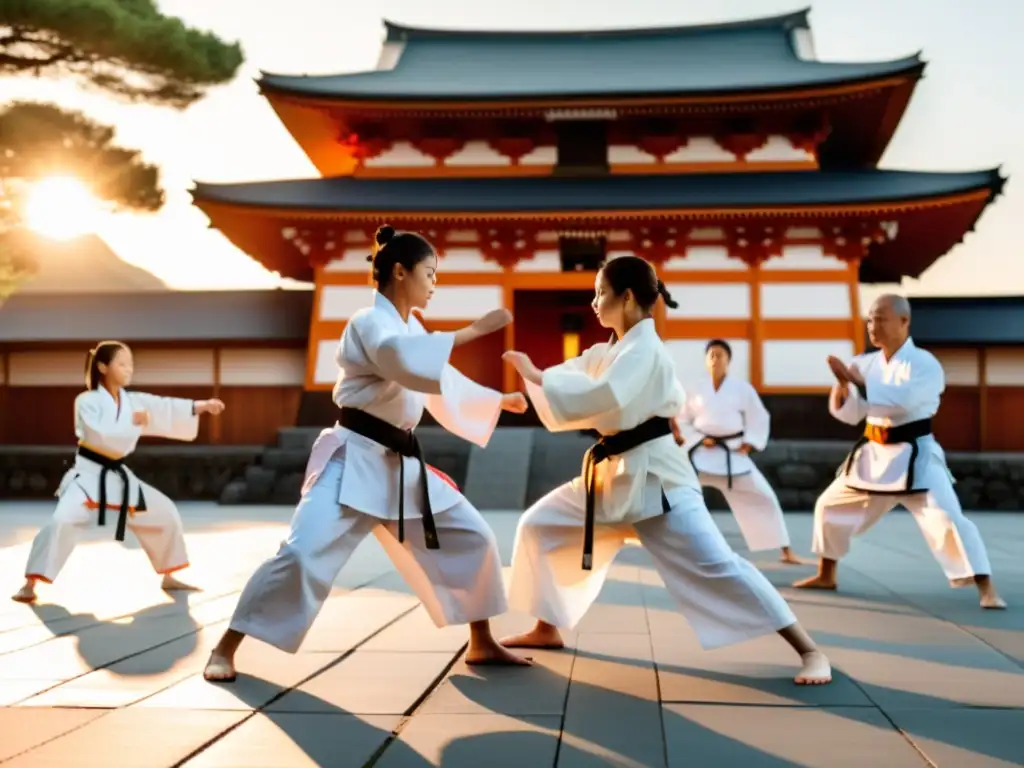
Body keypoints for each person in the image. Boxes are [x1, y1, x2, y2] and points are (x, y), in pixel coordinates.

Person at [204, 225, 531, 683]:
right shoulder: (368, 322)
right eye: (429, 272)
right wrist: (471, 332)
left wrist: (497, 399)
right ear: (400, 272)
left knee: (474, 537)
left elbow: (437, 376)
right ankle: (225, 646)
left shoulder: (410, 327)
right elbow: (403, 359)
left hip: (401, 468)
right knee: (300, 556)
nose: (435, 283)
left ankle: (482, 641)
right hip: (352, 460)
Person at [501, 255, 832, 685]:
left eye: (601, 292)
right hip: (611, 476)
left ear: (628, 297)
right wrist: (539, 378)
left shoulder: (646, 349)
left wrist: (536, 376)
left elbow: (607, 394)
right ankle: (547, 628)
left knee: (718, 564)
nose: (594, 302)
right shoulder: (611, 349)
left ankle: (811, 651)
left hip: (658, 481)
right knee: (538, 525)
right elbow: (576, 375)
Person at [793, 294, 1006, 609]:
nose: (873, 326)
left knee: (948, 517)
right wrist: (843, 386)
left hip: (915, 455)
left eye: (880, 318)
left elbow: (903, 401)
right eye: (869, 319)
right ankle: (827, 574)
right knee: (828, 505)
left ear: (904, 321)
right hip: (873, 455)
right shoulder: (864, 363)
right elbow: (851, 413)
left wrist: (853, 381)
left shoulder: (924, 363)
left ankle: (986, 587)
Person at [11, 341, 225, 604]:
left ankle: (169, 575)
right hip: (88, 476)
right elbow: (100, 435)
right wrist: (134, 423)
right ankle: (30, 583)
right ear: (102, 366)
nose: (129, 369)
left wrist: (201, 405)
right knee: (62, 520)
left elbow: (163, 406)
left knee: (164, 511)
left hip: (117, 476)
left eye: (131, 364)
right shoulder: (86, 401)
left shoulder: (132, 401)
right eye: (122, 363)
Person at [675, 339, 801, 564]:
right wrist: (699, 439)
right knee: (678, 495)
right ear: (706, 361)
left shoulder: (742, 389)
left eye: (720, 355)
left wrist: (749, 442)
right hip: (701, 454)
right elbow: (683, 420)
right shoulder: (695, 389)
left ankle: (785, 550)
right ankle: (674, 545)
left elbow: (759, 417)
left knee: (765, 496)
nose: (715, 359)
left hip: (732, 454)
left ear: (729, 360)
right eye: (711, 355)